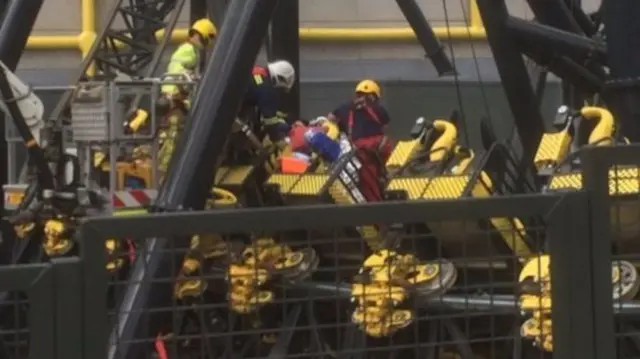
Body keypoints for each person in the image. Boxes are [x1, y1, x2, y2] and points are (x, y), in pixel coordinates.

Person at [327, 79, 393, 202]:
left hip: (352, 153)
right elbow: (385, 128)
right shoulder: (378, 109)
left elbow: (330, 119)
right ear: (374, 96)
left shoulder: (345, 107)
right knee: (372, 185)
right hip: (369, 155)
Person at [241, 60, 296, 146]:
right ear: (280, 78)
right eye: (281, 89)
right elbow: (270, 121)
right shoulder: (268, 89)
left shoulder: (259, 72)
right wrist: (278, 139)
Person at [161, 18, 216, 98]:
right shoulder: (188, 49)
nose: (195, 37)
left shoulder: (193, 50)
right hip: (173, 90)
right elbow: (175, 65)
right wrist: (187, 76)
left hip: (175, 88)